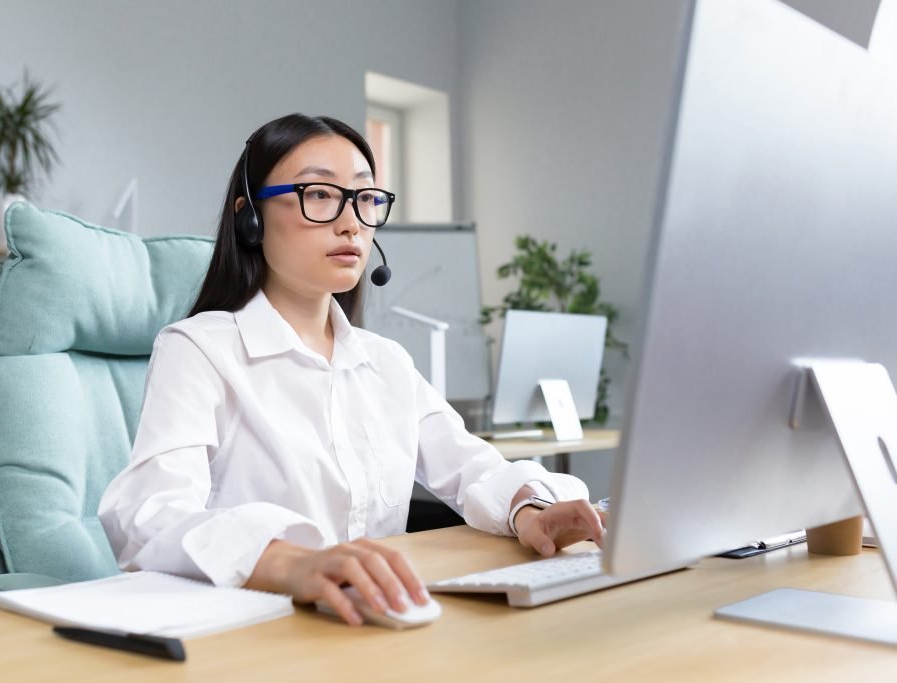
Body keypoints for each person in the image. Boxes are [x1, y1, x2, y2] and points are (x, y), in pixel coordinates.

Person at [98, 113, 605, 627]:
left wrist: (533, 510)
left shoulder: (385, 363)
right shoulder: (200, 350)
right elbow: (148, 516)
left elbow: (475, 467)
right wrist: (292, 563)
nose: (350, 223)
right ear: (249, 215)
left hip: (375, 621)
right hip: (257, 630)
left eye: (365, 198)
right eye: (319, 194)